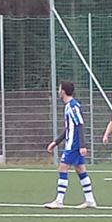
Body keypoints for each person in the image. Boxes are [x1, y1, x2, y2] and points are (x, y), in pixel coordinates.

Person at [44, 81, 97, 209]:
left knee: (63, 168)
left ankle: (59, 201)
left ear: (63, 91)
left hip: (73, 144)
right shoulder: (69, 106)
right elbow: (69, 128)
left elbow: (79, 125)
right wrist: (56, 142)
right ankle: (90, 200)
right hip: (72, 143)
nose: (58, 91)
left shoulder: (73, 106)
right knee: (80, 170)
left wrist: (82, 145)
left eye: (59, 89)